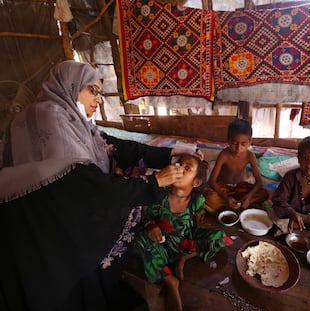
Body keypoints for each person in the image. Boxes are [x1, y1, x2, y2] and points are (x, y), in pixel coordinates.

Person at [0, 61, 187, 311]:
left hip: (53, 211)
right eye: (92, 90)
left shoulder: (73, 121)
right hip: (37, 226)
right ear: (70, 85)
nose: (98, 100)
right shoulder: (49, 117)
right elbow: (91, 187)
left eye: (99, 92)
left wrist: (170, 153)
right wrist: (154, 182)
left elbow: (115, 146)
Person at [134, 153, 232, 311]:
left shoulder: (197, 200)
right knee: (140, 239)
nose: (179, 169)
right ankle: (170, 280)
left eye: (187, 168)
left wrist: (201, 228)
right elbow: (146, 220)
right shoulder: (159, 194)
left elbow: (196, 222)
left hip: (184, 244)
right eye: (178, 165)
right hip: (162, 247)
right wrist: (150, 226)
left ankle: (183, 259)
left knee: (221, 237)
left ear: (196, 182)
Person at [203, 118, 268, 214]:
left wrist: (248, 197)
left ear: (250, 141)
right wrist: (226, 197)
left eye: (243, 144)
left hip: (240, 187)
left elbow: (259, 181)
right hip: (224, 188)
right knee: (208, 197)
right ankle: (235, 204)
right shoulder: (224, 155)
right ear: (228, 140)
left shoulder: (250, 156)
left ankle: (237, 203)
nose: (238, 148)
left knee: (264, 194)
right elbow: (212, 181)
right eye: (234, 143)